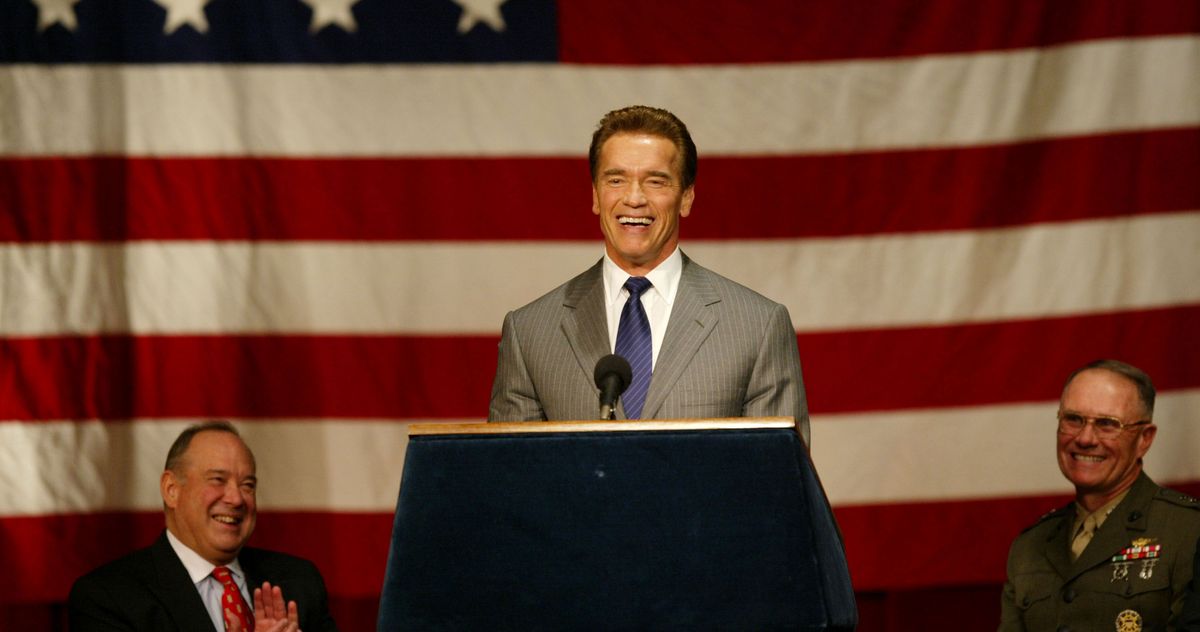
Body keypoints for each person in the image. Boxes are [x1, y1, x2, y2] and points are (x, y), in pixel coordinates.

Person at [488, 105, 809, 445]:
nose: (634, 198)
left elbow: (777, 474)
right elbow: (511, 471)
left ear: (686, 197)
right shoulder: (530, 332)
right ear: (595, 195)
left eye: (656, 181)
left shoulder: (757, 327)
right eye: (616, 180)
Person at [69, 420, 337, 632]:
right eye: (217, 480)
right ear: (171, 490)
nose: (236, 499)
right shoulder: (108, 598)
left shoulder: (299, 583)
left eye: (247, 485)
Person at [999, 360, 1200, 631]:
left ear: (1144, 439)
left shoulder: (1189, 532)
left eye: (1107, 424)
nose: (1085, 438)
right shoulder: (1029, 546)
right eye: (1073, 419)